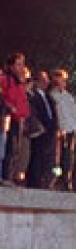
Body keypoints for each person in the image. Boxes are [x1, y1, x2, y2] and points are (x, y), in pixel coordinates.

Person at [26, 71, 59, 189]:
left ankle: (47, 182)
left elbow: (53, 114)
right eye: (44, 80)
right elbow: (34, 112)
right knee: (37, 157)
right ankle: (34, 182)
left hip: (50, 132)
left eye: (47, 80)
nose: (47, 82)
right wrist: (40, 126)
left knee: (49, 159)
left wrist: (55, 127)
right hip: (40, 131)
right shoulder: (34, 96)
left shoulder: (49, 97)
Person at [1, 53, 30, 184]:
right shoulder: (5, 79)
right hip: (9, 117)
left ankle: (11, 176)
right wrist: (10, 107)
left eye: (22, 64)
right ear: (11, 66)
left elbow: (22, 101)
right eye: (18, 64)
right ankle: (6, 176)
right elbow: (4, 97)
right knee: (8, 147)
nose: (21, 67)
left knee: (16, 149)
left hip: (19, 119)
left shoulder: (20, 83)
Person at [49, 69, 76, 190]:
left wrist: (75, 128)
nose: (63, 82)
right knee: (57, 158)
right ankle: (55, 178)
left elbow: (73, 114)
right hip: (60, 131)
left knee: (68, 157)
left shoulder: (69, 97)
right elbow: (56, 115)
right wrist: (59, 128)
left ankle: (67, 179)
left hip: (71, 131)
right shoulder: (52, 95)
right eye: (61, 79)